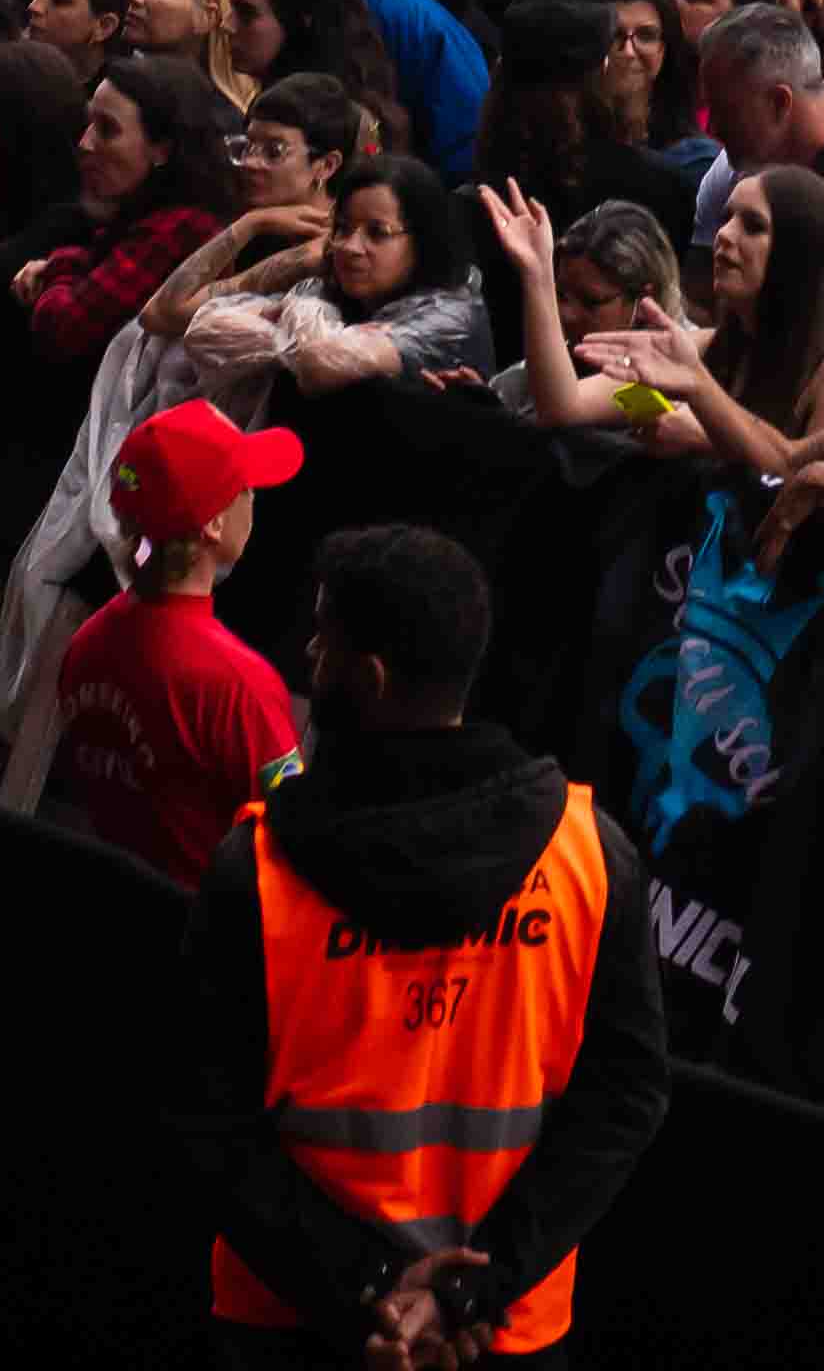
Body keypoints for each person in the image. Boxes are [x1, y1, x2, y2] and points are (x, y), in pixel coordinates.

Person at [177, 530, 669, 1371]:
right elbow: (625, 1099)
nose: (309, 654)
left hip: (293, 1315)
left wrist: (368, 1286)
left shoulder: (255, 872)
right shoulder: (591, 856)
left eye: (324, 638)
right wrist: (470, 1290)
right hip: (496, 1329)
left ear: (368, 679)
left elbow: (207, 1119)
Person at [44, 397, 308, 869]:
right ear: (213, 524)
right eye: (245, 488)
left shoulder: (87, 643)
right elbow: (298, 836)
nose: (253, 499)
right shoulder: (240, 687)